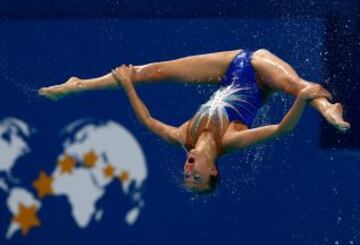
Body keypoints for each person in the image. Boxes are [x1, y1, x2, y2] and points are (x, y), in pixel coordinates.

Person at [39, 49, 350, 193]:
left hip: (228, 66)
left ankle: (77, 84)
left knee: (153, 71)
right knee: (298, 85)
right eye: (197, 177)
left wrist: (127, 85)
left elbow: (148, 121)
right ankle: (328, 108)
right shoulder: (230, 140)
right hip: (258, 70)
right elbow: (283, 129)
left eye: (187, 176)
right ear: (213, 169)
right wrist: (302, 100)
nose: (188, 171)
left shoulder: (184, 137)